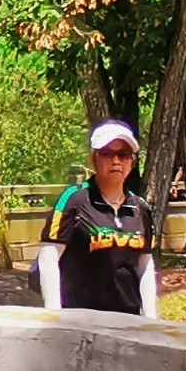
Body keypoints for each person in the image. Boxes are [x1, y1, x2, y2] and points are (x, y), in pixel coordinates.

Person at [36, 121, 161, 316]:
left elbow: (144, 264)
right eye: (107, 153)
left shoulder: (140, 208)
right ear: (94, 159)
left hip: (130, 319)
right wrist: (54, 314)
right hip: (82, 317)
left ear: (132, 162)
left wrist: (151, 317)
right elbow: (49, 256)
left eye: (124, 155)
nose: (116, 160)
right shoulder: (73, 200)